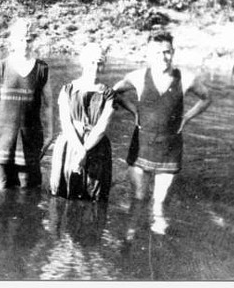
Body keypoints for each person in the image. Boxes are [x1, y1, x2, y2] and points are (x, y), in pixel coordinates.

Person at [113, 30, 212, 233]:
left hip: (169, 149)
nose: (163, 57)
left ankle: (157, 249)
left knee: (159, 206)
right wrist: (133, 110)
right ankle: (131, 240)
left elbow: (206, 97)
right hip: (141, 146)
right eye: (157, 53)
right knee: (139, 199)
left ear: (173, 52)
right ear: (149, 54)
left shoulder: (186, 78)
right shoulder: (138, 77)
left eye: (167, 52)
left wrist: (187, 117)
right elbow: (114, 92)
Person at [0, 18, 53, 190]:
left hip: (29, 140)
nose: (25, 44)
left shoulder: (42, 69)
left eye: (29, 40)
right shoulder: (0, 67)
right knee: (1, 187)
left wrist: (50, 134)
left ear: (34, 41)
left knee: (27, 188)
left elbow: (49, 105)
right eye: (21, 40)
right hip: (1, 139)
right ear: (13, 41)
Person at [49, 43, 115, 202]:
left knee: (93, 196)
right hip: (70, 144)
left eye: (100, 62)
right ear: (83, 62)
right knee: (62, 194)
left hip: (96, 146)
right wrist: (80, 150)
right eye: (92, 62)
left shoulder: (109, 94)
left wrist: (85, 150)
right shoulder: (67, 89)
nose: (95, 67)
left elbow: (102, 127)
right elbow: (66, 123)